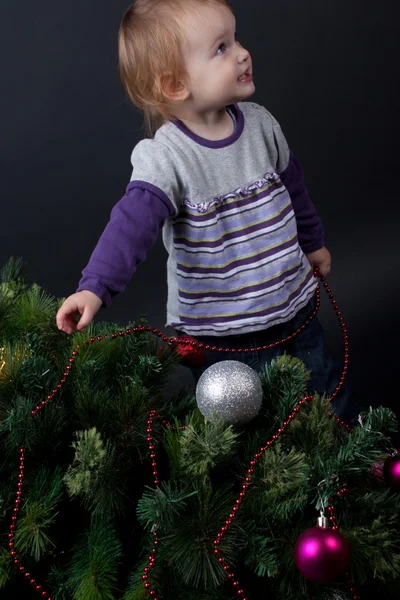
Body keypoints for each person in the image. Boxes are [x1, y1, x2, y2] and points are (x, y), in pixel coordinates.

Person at [56, 0, 358, 423]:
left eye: (235, 39)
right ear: (176, 85)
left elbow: (294, 188)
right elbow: (131, 225)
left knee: (325, 388)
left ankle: (354, 466)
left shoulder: (260, 124)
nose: (242, 53)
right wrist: (94, 288)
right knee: (250, 421)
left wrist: (313, 242)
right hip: (226, 334)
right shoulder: (167, 157)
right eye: (221, 48)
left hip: (294, 305)